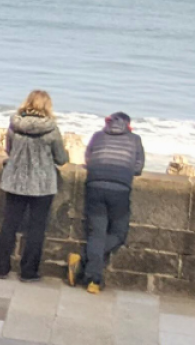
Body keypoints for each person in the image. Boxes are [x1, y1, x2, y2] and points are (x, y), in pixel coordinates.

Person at [0, 89, 70, 281]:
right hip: (42, 185)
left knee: (9, 224)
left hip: (15, 181)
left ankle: (1, 267)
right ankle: (28, 271)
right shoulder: (51, 130)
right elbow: (61, 159)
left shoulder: (14, 126)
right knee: (36, 228)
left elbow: (9, 150)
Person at [70, 112, 145, 293]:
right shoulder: (134, 139)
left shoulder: (98, 135)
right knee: (119, 234)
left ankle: (91, 274)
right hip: (119, 190)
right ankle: (91, 274)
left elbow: (88, 159)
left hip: (95, 186)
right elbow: (137, 167)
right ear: (128, 125)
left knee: (97, 234)